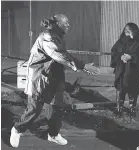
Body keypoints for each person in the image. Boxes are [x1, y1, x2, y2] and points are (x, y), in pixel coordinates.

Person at [10, 14, 99, 148]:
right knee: (35, 109)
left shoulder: (57, 36)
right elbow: (59, 54)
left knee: (56, 107)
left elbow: (62, 56)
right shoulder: (47, 37)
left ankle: (53, 134)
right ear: (57, 23)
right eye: (66, 23)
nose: (68, 25)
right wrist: (83, 66)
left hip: (54, 77)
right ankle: (17, 129)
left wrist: (82, 67)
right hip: (39, 77)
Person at [110, 23, 139, 114]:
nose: (127, 31)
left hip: (133, 70)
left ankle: (132, 108)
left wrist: (131, 57)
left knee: (133, 90)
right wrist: (120, 57)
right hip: (121, 69)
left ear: (135, 31)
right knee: (120, 89)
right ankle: (119, 107)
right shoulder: (120, 41)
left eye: (129, 29)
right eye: (126, 29)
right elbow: (114, 52)